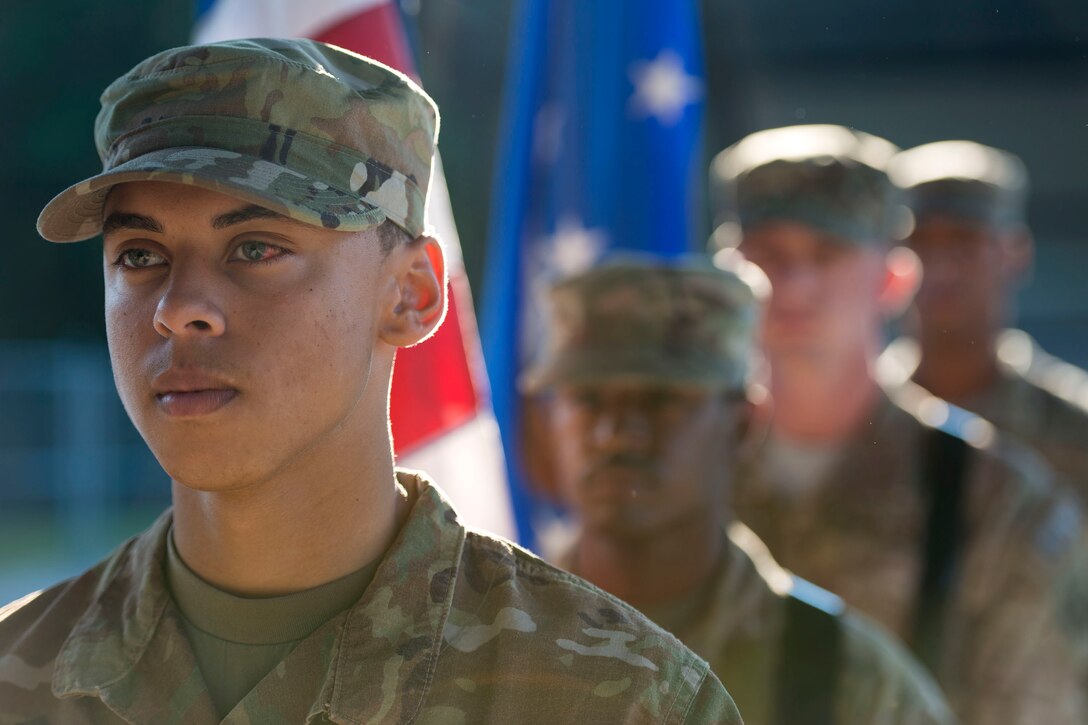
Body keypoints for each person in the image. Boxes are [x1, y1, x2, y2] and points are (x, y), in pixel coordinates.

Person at [0, 39, 741, 724]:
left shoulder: (615, 697)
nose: (179, 308)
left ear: (411, 293)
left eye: (255, 247)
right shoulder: (15, 675)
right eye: (138, 255)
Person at [709, 124, 1086, 725]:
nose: (795, 285)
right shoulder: (682, 476)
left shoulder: (996, 504)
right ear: (728, 273)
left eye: (827, 254)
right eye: (770, 255)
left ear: (894, 279)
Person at [520, 254, 956, 725]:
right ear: (547, 425)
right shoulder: (489, 635)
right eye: (588, 400)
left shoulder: (845, 679)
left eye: (661, 399)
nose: (618, 432)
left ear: (743, 425)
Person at [881, 140, 1088, 496]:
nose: (942, 268)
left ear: (1015, 253)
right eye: (920, 242)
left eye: (965, 241)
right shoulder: (856, 416)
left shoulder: (1075, 428)